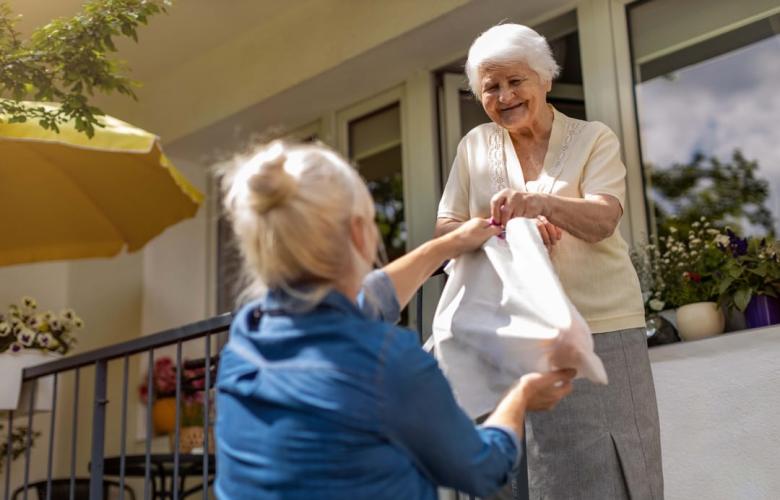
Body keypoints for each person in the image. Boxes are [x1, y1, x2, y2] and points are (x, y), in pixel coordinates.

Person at [214, 141, 576, 500]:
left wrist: (449, 244)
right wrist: (519, 394)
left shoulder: (248, 334)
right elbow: (481, 468)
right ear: (359, 233)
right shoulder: (386, 358)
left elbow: (364, 301)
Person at [435, 24, 663, 500]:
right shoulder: (474, 147)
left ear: (545, 80)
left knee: (609, 469)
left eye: (515, 81)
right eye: (490, 88)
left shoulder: (593, 139)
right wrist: (507, 230)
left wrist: (538, 205)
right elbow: (445, 233)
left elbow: (603, 219)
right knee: (522, 477)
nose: (504, 96)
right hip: (506, 336)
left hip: (601, 329)